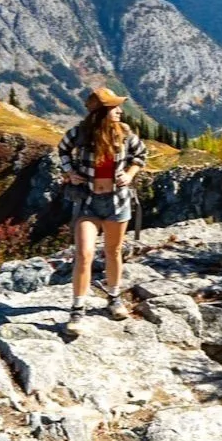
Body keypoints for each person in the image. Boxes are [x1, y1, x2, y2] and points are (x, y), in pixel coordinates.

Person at [55, 86, 149, 317]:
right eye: (114, 107)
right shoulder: (79, 133)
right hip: (88, 201)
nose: (120, 111)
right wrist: (70, 172)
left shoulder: (124, 133)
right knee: (84, 254)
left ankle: (114, 298)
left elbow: (141, 155)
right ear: (100, 112)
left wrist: (130, 174)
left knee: (113, 251)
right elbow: (63, 149)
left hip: (117, 201)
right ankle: (78, 309)